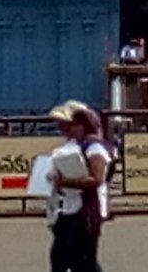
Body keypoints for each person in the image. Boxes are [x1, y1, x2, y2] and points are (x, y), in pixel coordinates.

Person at [46, 102, 111, 272]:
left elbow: (96, 179)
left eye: (72, 125)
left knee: (81, 261)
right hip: (69, 208)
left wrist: (64, 181)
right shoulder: (71, 146)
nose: (66, 129)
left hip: (86, 210)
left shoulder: (94, 146)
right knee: (61, 258)